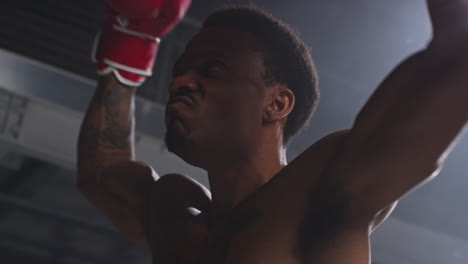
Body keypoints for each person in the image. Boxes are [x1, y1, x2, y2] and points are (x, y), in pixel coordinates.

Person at [77, 0, 468, 263]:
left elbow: (454, 58)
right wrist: (130, 45)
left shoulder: (321, 188)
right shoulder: (175, 213)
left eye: (212, 70)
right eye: (180, 71)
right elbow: (101, 173)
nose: (180, 82)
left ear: (277, 104)